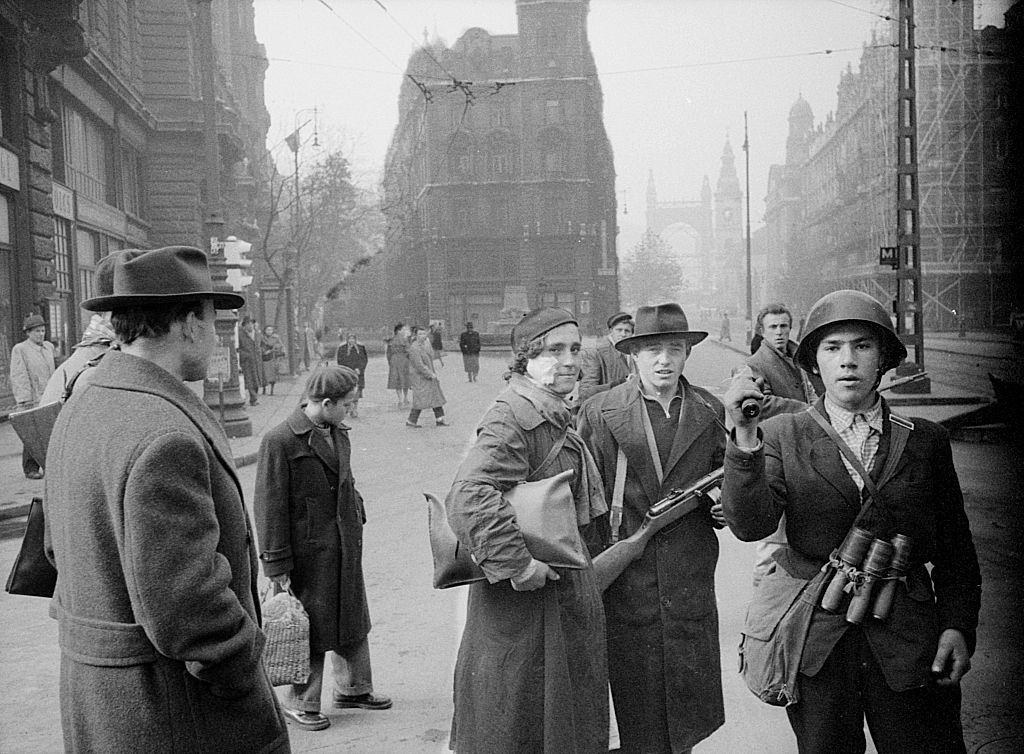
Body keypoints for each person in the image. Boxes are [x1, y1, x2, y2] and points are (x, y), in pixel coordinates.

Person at [44, 246, 289, 753]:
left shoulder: (82, 405)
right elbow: (190, 612)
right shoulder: (165, 436)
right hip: (173, 715)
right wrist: (248, 672)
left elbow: (54, 552)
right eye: (212, 319)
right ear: (187, 323)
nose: (217, 335)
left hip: (104, 704)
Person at [722, 289, 981, 754]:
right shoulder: (782, 433)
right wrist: (743, 438)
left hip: (909, 640)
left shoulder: (925, 441)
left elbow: (957, 551)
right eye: (832, 347)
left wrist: (957, 627)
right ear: (814, 363)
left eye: (862, 346)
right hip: (819, 642)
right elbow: (751, 525)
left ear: (883, 360)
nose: (847, 360)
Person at [445, 307, 609, 753]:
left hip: (553, 597)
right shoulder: (513, 416)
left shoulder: (549, 408)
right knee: (520, 727)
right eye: (555, 350)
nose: (570, 360)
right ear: (525, 358)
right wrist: (518, 565)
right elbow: (469, 495)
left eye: (576, 349)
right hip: (526, 604)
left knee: (548, 723)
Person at [577, 303, 726, 754]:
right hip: (626, 584)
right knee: (636, 717)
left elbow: (728, 479)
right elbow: (583, 504)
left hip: (688, 582)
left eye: (675, 349)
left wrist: (724, 505)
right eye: (652, 350)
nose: (664, 360)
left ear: (688, 354)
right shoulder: (599, 412)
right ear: (632, 356)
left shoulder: (710, 408)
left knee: (686, 720)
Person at [254, 365, 392, 732]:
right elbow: (269, 507)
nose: (351, 409)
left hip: (343, 543)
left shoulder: (336, 431)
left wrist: (355, 508)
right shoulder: (280, 440)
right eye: (346, 404)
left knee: (351, 616)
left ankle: (354, 688)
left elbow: (344, 479)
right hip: (307, 554)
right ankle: (301, 702)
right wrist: (276, 564)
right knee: (310, 626)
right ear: (326, 403)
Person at [744, 303, 823, 584]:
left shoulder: (800, 357)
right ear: (762, 332)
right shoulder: (755, 364)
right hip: (776, 453)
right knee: (773, 539)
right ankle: (761, 607)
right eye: (773, 328)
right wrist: (803, 408)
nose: (779, 333)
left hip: (806, 452)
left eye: (784, 327)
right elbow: (756, 404)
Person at [9, 313, 56, 479]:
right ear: (28, 333)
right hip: (32, 398)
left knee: (49, 432)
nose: (41, 334)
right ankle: (30, 468)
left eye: (43, 330)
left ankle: (50, 466)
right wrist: (24, 399)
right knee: (31, 433)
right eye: (37, 331)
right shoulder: (20, 349)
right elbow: (19, 374)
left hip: (48, 396)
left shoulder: (49, 347)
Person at [578, 311, 634, 403]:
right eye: (619, 330)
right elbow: (586, 391)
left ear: (632, 334)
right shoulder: (596, 352)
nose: (623, 334)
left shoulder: (632, 353)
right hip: (605, 405)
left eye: (627, 331)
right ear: (611, 331)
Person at [406, 325, 448, 428]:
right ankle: (411, 420)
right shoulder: (414, 348)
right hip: (420, 378)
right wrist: (429, 374)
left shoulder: (426, 345)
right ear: (415, 336)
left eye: (424, 333)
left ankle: (440, 419)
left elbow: (431, 357)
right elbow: (419, 365)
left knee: (435, 397)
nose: (422, 336)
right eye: (420, 334)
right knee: (420, 400)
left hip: (429, 376)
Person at [335, 332, 368, 418]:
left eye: (353, 339)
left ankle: (355, 409)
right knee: (348, 391)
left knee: (357, 391)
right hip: (347, 374)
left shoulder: (360, 348)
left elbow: (364, 360)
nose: (352, 341)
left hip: (358, 373)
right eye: (350, 339)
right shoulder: (342, 348)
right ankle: (349, 407)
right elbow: (340, 361)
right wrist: (346, 369)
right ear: (347, 339)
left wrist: (360, 369)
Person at [238, 315, 263, 406]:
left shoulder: (257, 334)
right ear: (244, 325)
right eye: (248, 324)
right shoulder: (240, 335)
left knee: (257, 380)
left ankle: (254, 398)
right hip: (247, 362)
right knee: (249, 380)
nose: (250, 326)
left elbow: (261, 344)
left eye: (252, 324)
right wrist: (245, 355)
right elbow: (238, 349)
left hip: (257, 361)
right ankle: (253, 398)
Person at [386, 323, 411, 407]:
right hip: (404, 360)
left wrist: (390, 362)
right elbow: (408, 351)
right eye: (403, 329)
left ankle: (400, 399)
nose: (405, 331)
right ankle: (406, 398)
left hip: (394, 360)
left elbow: (388, 353)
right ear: (399, 331)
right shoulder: (405, 340)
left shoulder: (391, 340)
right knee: (405, 379)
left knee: (397, 380)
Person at [261, 325, 285, 395]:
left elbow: (281, 345)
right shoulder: (262, 338)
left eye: (271, 330)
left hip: (273, 357)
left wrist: (274, 349)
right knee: (264, 374)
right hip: (264, 357)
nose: (269, 331)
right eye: (268, 330)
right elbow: (260, 346)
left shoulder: (276, 338)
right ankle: (264, 388)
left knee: (272, 374)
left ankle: (272, 390)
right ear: (265, 331)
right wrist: (264, 351)